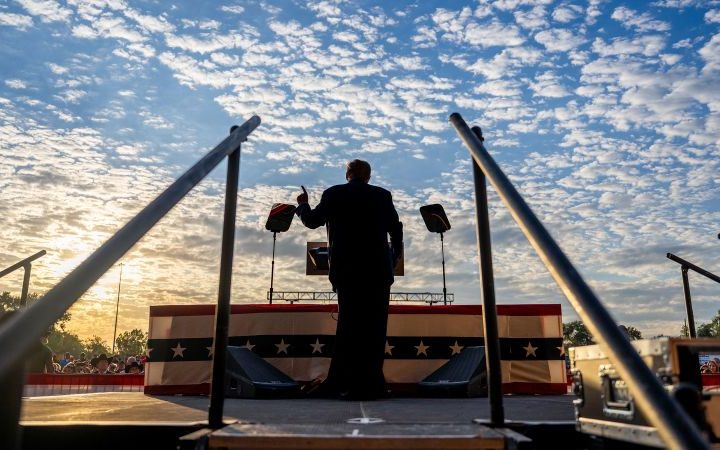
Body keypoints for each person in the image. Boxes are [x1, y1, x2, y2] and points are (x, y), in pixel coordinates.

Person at [296, 159, 403, 400]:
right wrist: (393, 257)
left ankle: (340, 382)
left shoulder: (334, 194)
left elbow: (312, 221)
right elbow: (395, 229)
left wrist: (302, 205)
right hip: (378, 272)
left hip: (347, 271)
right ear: (368, 176)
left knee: (349, 327)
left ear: (348, 174)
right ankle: (372, 385)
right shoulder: (382, 196)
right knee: (375, 329)